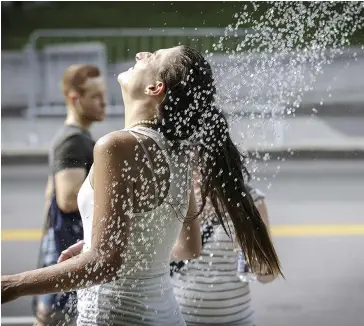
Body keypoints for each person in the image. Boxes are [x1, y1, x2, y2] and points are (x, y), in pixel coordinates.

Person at [2, 46, 282, 326]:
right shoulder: (179, 152)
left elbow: (103, 263)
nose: (141, 54)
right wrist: (107, 244)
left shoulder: (116, 146)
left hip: (118, 316)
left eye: (154, 56)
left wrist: (13, 285)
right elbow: (189, 248)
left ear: (155, 87)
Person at [33, 64, 106, 325]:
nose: (104, 102)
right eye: (95, 96)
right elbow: (66, 198)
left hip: (64, 252)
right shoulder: (72, 141)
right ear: (75, 98)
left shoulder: (79, 138)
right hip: (67, 251)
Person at [171, 176, 276, 326]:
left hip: (236, 319)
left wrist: (257, 258)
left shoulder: (248, 201)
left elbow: (268, 275)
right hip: (179, 320)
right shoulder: (176, 198)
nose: (197, 176)